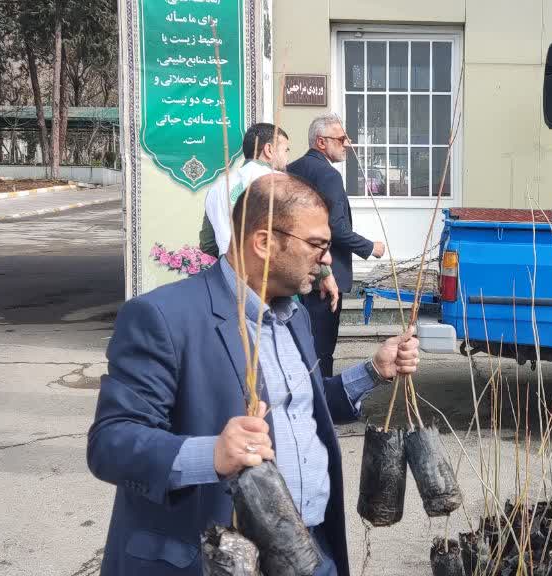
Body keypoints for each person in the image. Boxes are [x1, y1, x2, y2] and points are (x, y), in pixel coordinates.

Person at [88, 173, 420, 576]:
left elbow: (299, 408)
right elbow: (112, 442)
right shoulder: (163, 317)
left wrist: (374, 371)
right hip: (219, 558)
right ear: (263, 242)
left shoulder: (294, 316)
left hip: (308, 550)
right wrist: (212, 454)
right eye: (318, 245)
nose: (327, 259)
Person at [287, 113, 385, 378]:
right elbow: (335, 228)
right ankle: (324, 398)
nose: (347, 145)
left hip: (294, 269)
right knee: (322, 347)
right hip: (324, 275)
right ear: (321, 142)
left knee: (301, 344)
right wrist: (369, 247)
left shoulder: (290, 169)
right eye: (341, 139)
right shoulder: (328, 175)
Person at [199, 122, 290, 259]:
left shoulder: (217, 187)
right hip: (268, 267)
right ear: (269, 149)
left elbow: (208, 244)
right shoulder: (280, 181)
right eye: (286, 150)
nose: (287, 158)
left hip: (229, 266)